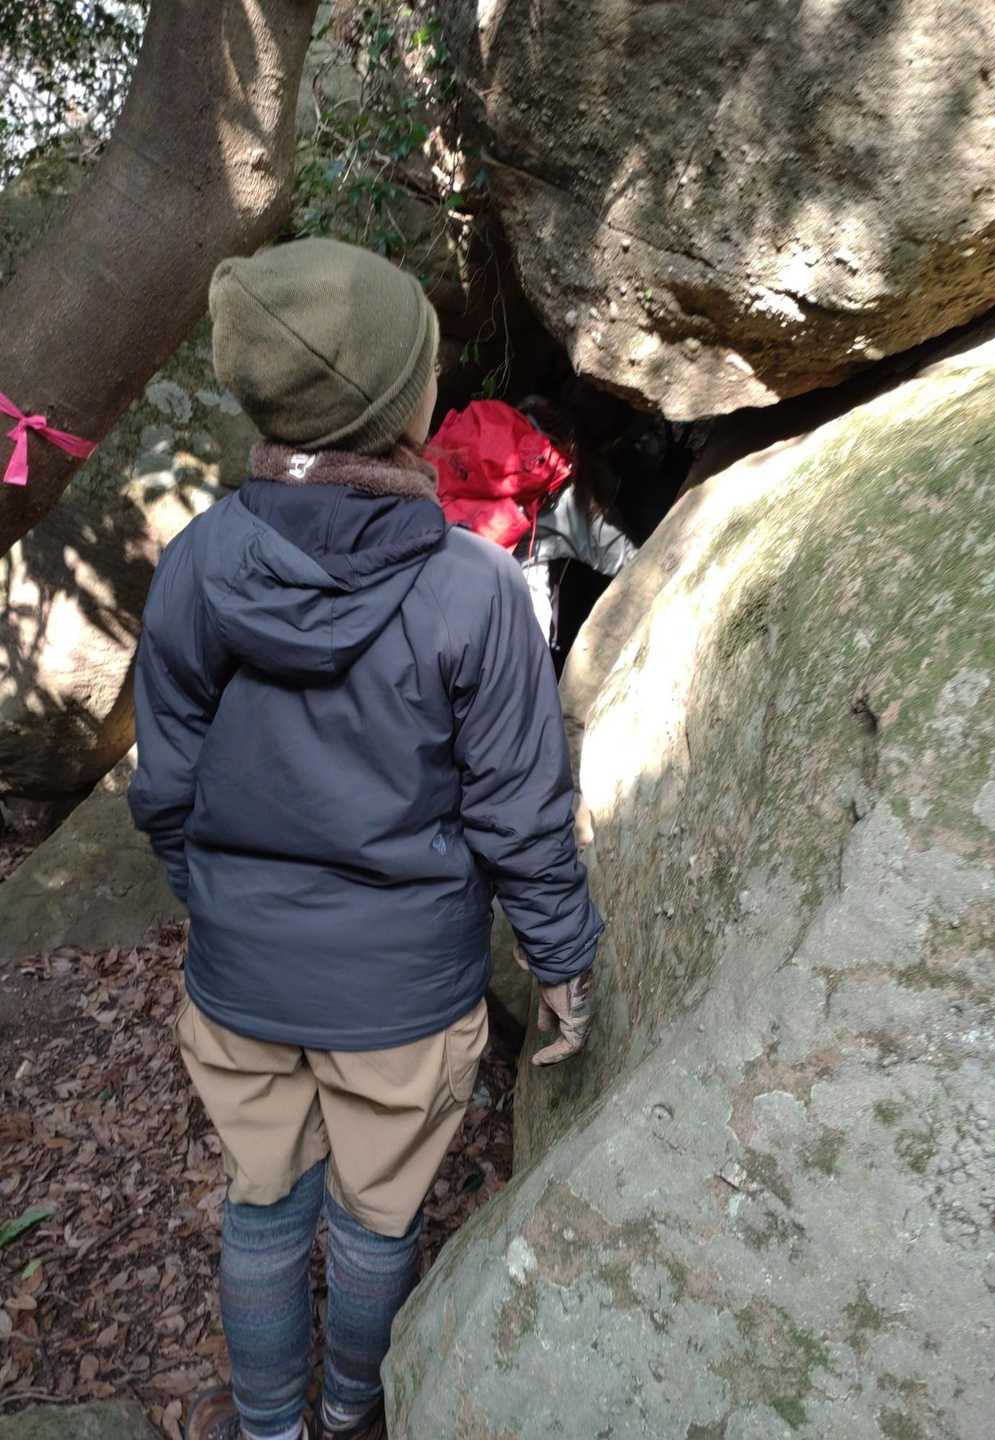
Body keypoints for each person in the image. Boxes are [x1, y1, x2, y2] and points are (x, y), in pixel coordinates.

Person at [128, 238, 602, 1440]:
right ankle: (351, 1410)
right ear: (403, 402)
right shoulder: (474, 591)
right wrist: (562, 959)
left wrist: (220, 903)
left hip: (242, 977)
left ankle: (271, 1425)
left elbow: (166, 785)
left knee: (261, 1203)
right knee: (378, 1215)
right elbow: (519, 809)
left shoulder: (197, 566)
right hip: (405, 992)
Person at [426, 394, 637, 651]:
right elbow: (630, 563)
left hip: (437, 543)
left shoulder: (512, 416)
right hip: (481, 574)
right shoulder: (571, 494)